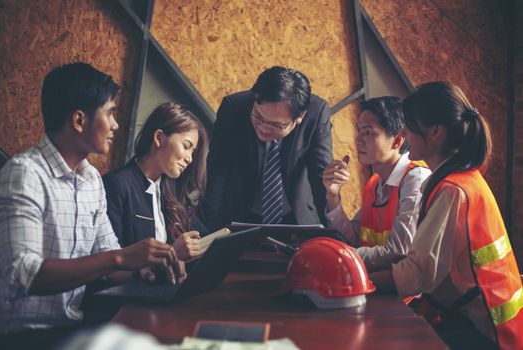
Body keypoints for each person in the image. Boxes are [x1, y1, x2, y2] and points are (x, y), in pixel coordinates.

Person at [0, 63, 183, 348]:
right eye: (110, 112)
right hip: (25, 336)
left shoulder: (92, 179)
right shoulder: (24, 173)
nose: (116, 125)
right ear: (79, 121)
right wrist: (121, 258)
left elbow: (108, 259)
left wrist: (143, 268)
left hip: (73, 327)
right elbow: (24, 274)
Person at [370, 82, 522, 349]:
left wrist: (355, 280)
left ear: (435, 132)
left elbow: (415, 275)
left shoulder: (453, 190)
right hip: (479, 323)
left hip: (489, 335)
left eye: (409, 126)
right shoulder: (453, 179)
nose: (403, 134)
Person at [200, 66, 333, 231]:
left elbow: (321, 177)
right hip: (240, 215)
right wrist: (211, 230)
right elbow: (218, 172)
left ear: (300, 117)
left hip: (297, 218)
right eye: (258, 116)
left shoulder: (316, 113)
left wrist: (329, 231)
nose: (263, 128)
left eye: (276, 124)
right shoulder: (234, 107)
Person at [322, 97, 431, 265]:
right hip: (378, 282)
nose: (358, 140)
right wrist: (333, 196)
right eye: (359, 131)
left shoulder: (416, 179)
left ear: (397, 140)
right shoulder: (375, 183)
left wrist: (340, 255)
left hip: (406, 289)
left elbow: (399, 252)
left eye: (368, 132)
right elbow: (354, 239)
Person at [103, 102, 208, 264]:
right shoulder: (116, 185)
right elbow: (110, 265)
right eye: (186, 146)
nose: (190, 158)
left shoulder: (171, 191)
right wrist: (173, 254)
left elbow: (206, 238)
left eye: (192, 152)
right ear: (159, 138)